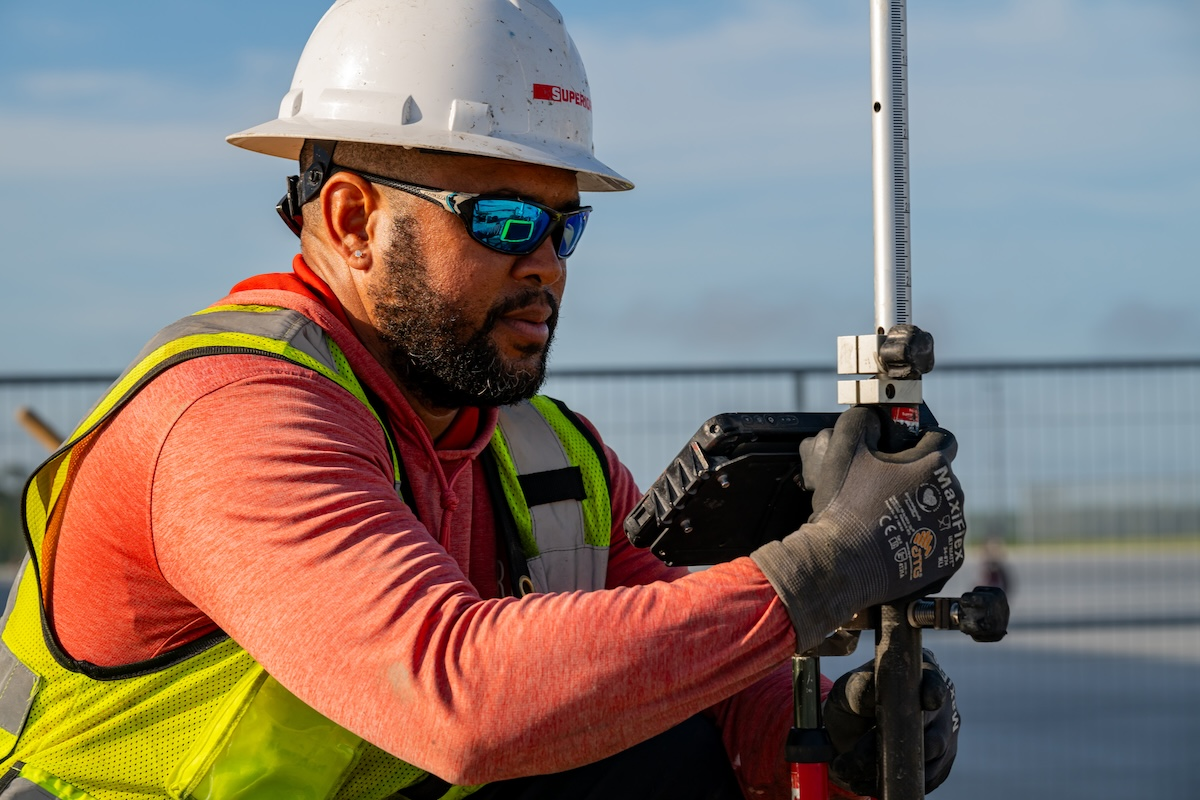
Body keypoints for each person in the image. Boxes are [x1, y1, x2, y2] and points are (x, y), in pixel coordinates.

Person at [0, 2, 966, 798]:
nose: (544, 263)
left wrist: (828, 737)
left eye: (565, 226)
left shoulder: (545, 454)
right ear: (351, 219)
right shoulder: (233, 418)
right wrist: (817, 573)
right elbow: (454, 697)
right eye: (503, 219)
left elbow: (679, 680)